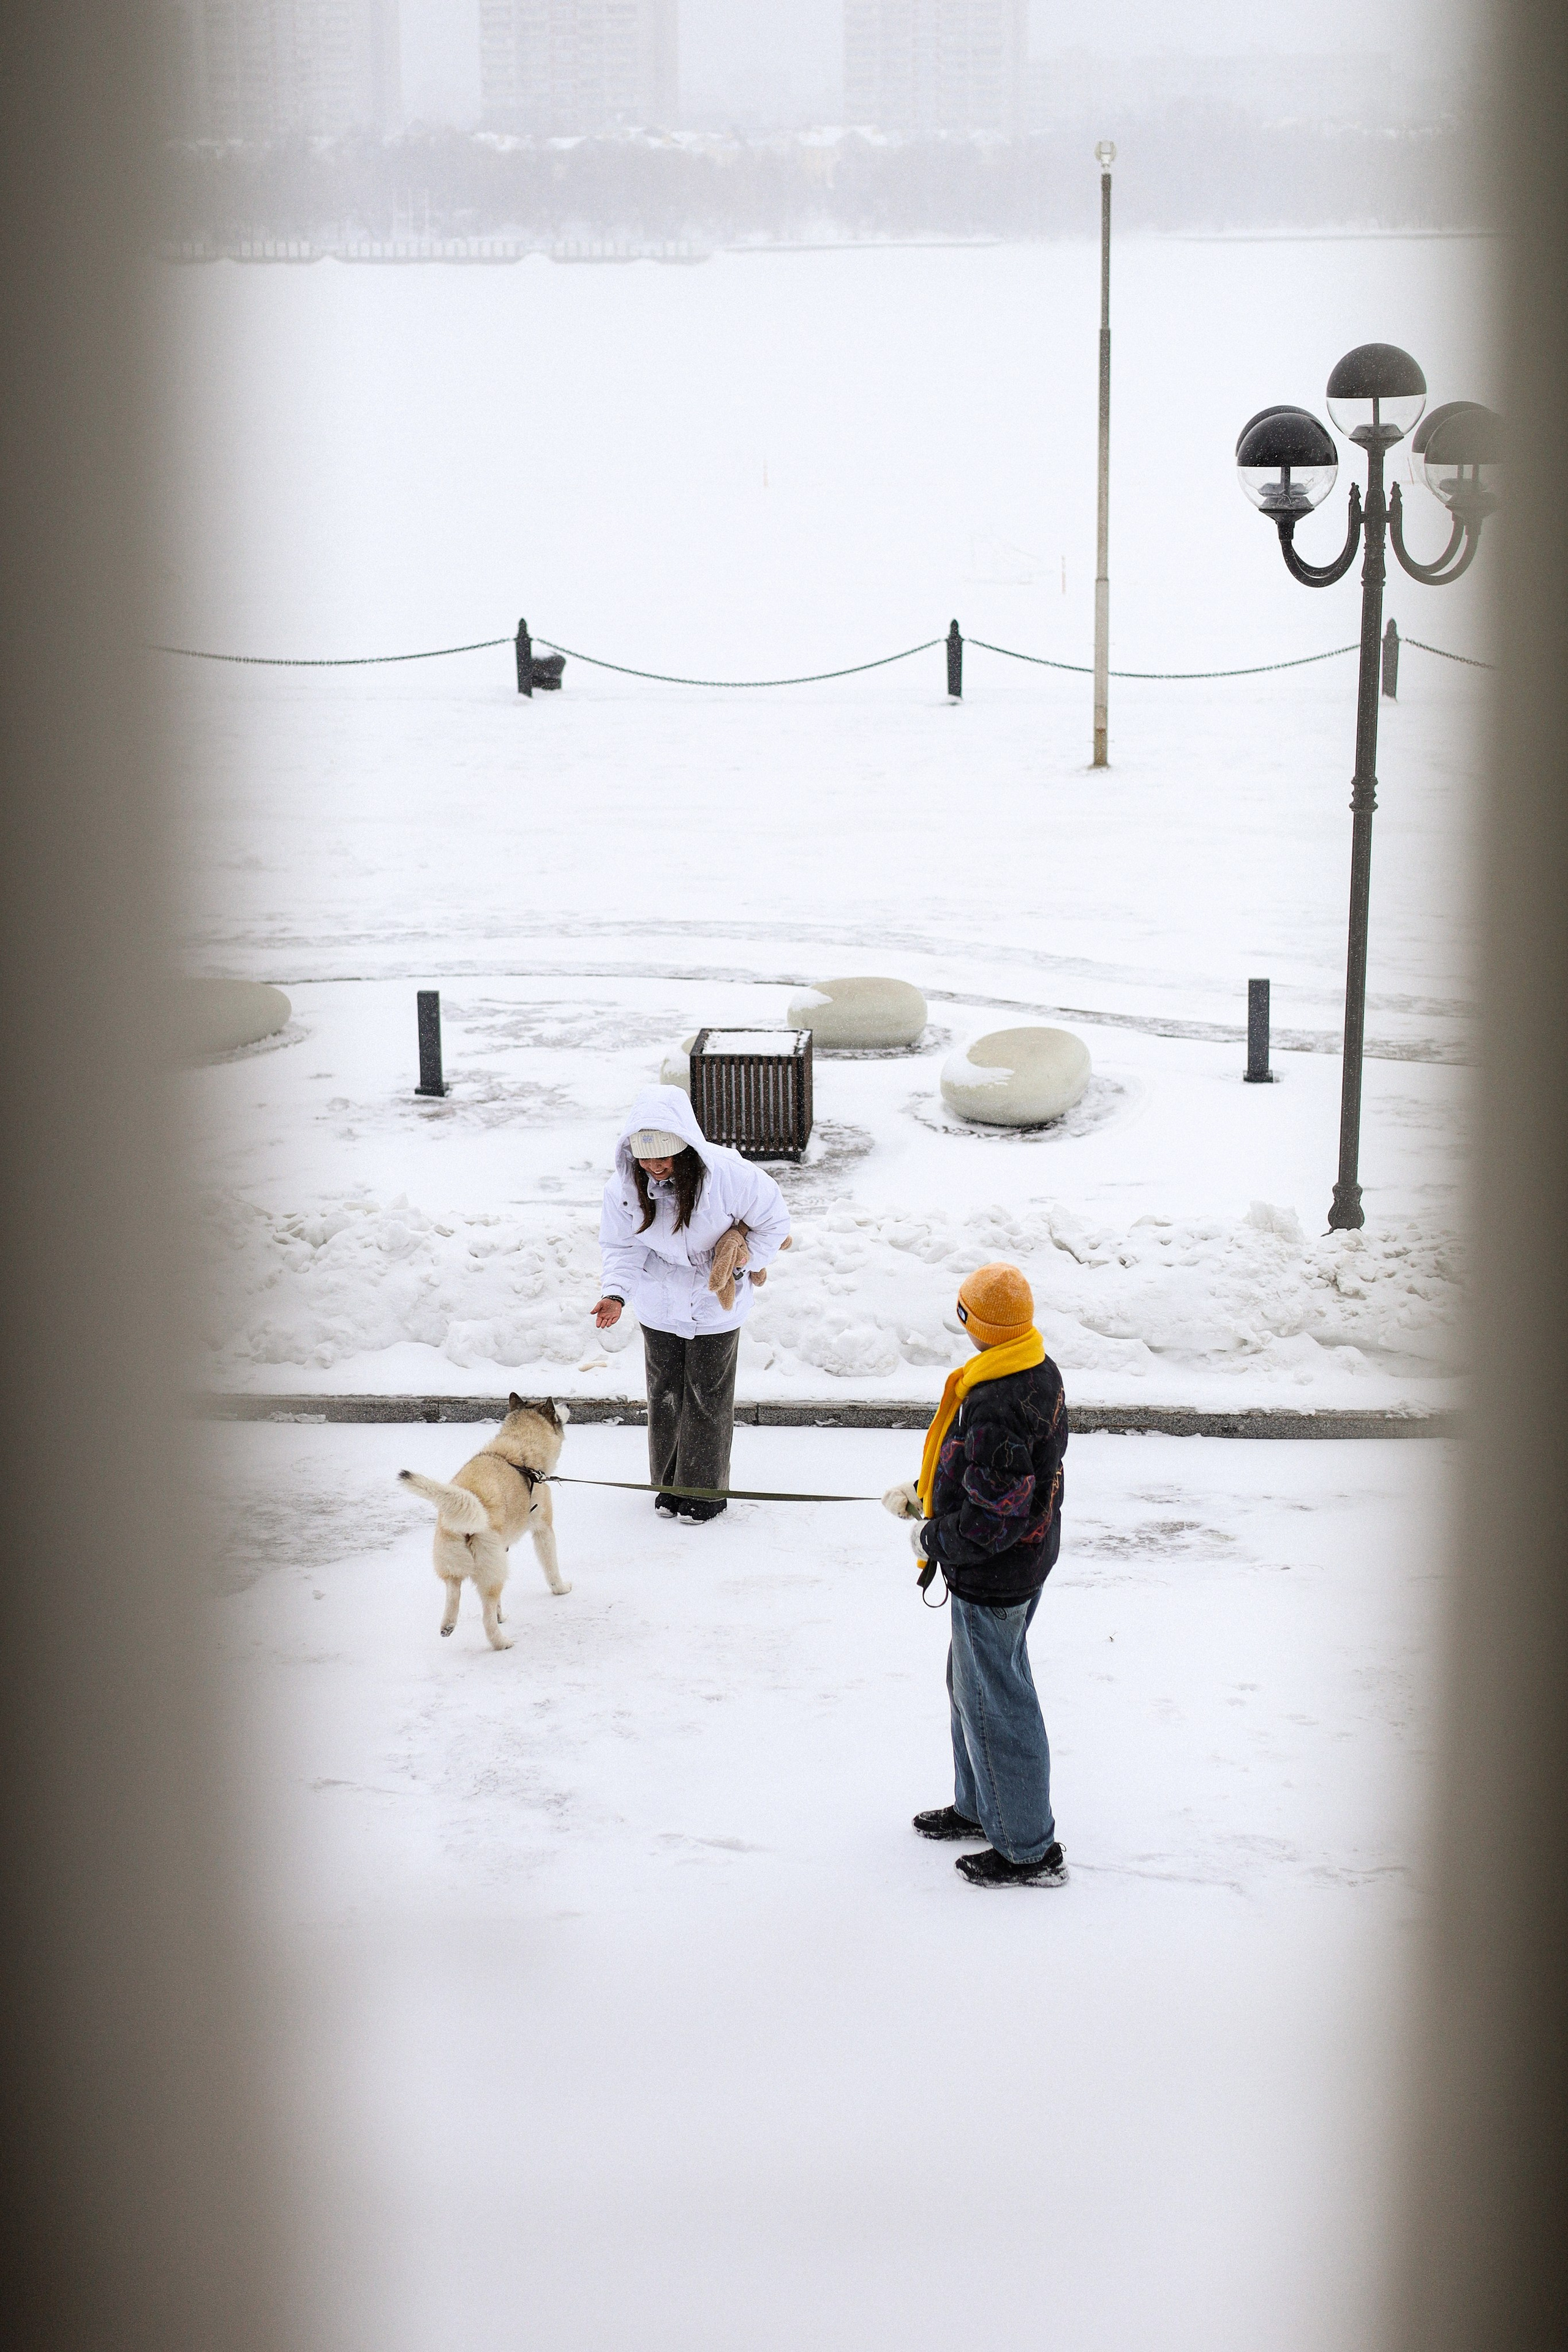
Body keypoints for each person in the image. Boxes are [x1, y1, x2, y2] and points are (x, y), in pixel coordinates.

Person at [883, 1262, 1069, 1888]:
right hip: (1019, 1563)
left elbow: (994, 1520)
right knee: (970, 1689)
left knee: (998, 1702)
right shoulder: (1031, 1368)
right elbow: (994, 1479)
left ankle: (1026, 1849)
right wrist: (925, 1494)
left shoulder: (994, 1401)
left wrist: (933, 1534)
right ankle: (978, 1806)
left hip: (995, 1575)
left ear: (974, 1323)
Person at [594, 1084, 790, 1522]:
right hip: (658, 1303)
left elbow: (774, 1224)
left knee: (706, 1396)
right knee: (664, 1395)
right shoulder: (624, 1188)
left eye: (663, 1157)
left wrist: (740, 1260)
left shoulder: (732, 1177)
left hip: (714, 1303)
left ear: (686, 1149)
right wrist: (616, 1294)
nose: (654, 1167)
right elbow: (622, 1247)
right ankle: (668, 1487)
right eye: (644, 1158)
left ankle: (703, 1494)